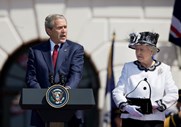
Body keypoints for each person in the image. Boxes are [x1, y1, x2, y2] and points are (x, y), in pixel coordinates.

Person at [26, 14, 84, 127]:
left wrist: (65, 91)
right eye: (59, 28)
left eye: (65, 27)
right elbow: (31, 78)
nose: (64, 31)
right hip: (42, 110)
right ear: (49, 30)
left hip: (70, 111)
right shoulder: (35, 51)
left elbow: (76, 74)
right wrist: (44, 96)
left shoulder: (76, 49)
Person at [112, 31, 178, 127]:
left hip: (154, 121)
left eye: (141, 49)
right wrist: (127, 107)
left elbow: (173, 93)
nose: (138, 53)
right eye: (136, 49)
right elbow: (117, 92)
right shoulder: (128, 67)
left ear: (152, 51)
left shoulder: (164, 69)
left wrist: (157, 105)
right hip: (131, 120)